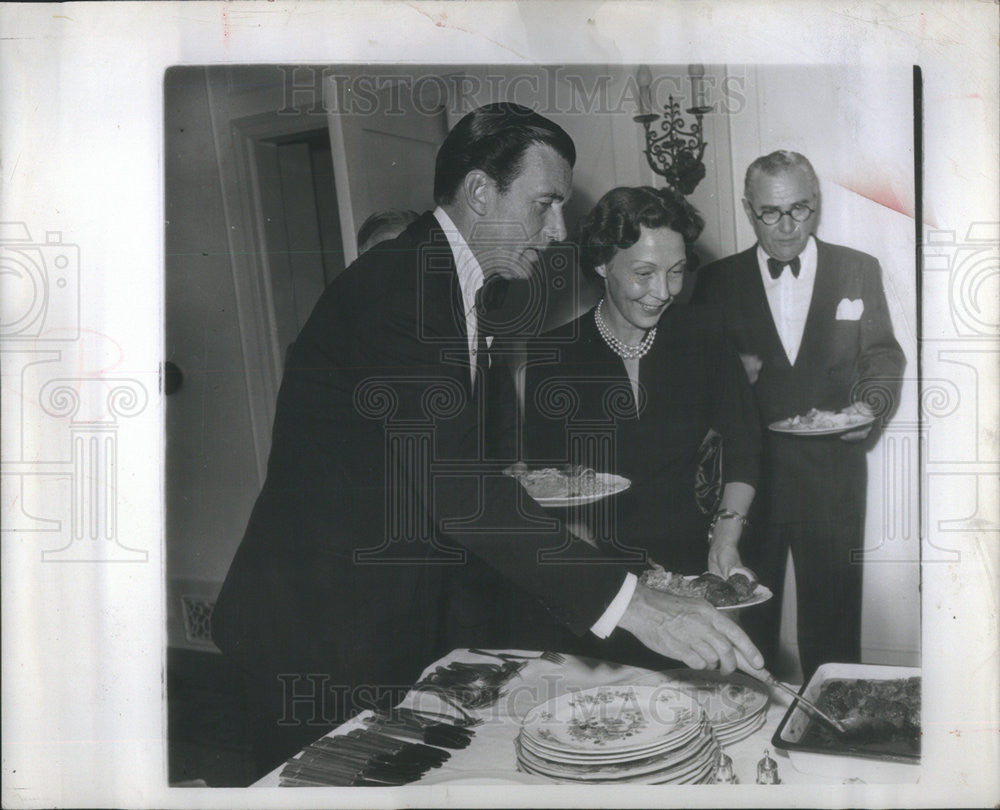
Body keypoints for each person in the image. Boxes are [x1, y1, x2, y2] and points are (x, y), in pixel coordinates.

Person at [212, 103, 764, 777]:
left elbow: (455, 480)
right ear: (480, 192)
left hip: (385, 618)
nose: (558, 229)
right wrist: (633, 602)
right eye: (543, 204)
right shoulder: (400, 287)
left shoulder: (452, 291)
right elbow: (459, 492)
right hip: (316, 629)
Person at [520, 186, 762, 668]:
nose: (664, 292)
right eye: (644, 273)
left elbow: (745, 444)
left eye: (675, 273)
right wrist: (609, 587)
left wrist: (726, 537)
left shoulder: (704, 333)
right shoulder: (555, 356)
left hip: (696, 576)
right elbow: (551, 491)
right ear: (601, 265)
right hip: (600, 589)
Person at [691, 150, 905, 681]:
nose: (786, 226)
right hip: (749, 486)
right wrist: (725, 373)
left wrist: (870, 405)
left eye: (800, 209)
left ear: (817, 205)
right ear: (747, 209)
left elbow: (882, 355)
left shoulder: (858, 268)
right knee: (743, 631)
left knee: (834, 637)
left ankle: (834, 749)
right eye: (770, 212)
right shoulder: (717, 281)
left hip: (832, 482)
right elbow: (691, 379)